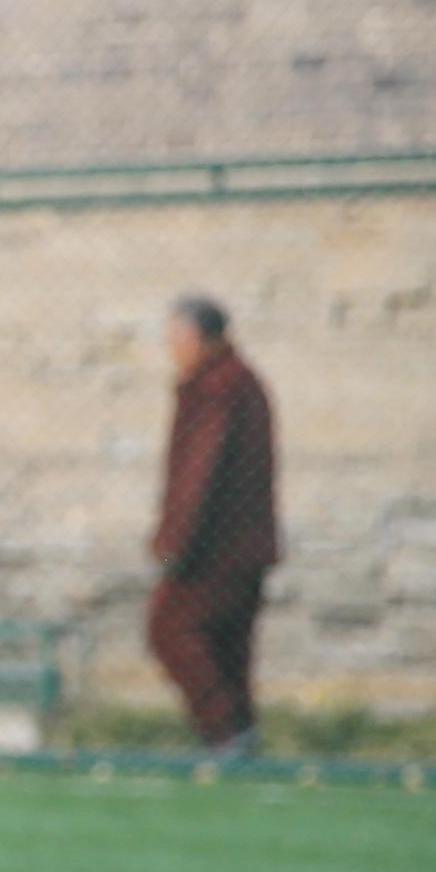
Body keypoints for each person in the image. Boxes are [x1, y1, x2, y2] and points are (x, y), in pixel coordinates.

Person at [147, 292, 280, 754]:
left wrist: (172, 543)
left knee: (169, 628)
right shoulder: (245, 383)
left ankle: (225, 732)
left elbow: (198, 473)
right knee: (228, 646)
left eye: (175, 338)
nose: (171, 349)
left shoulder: (213, 389)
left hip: (213, 547)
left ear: (199, 338)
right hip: (248, 545)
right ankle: (239, 732)